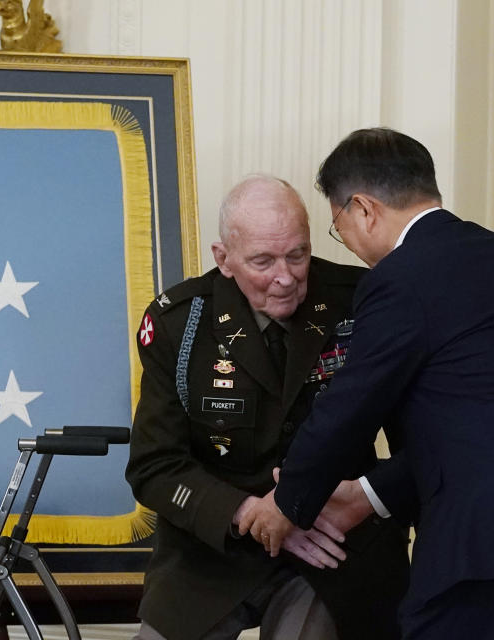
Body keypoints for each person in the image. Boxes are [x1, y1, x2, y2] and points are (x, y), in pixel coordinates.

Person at [240, 128, 494, 640]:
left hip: (493, 544)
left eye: (339, 227)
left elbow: (349, 408)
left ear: (362, 209)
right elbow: (487, 419)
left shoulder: (399, 278)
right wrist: (368, 493)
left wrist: (288, 503)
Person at [125, 174, 410, 640]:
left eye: (298, 254)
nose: (286, 276)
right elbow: (153, 465)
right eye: (263, 260)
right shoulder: (180, 324)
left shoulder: (361, 301)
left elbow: (416, 445)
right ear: (224, 260)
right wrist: (252, 515)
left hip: (334, 541)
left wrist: (349, 502)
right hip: (215, 545)